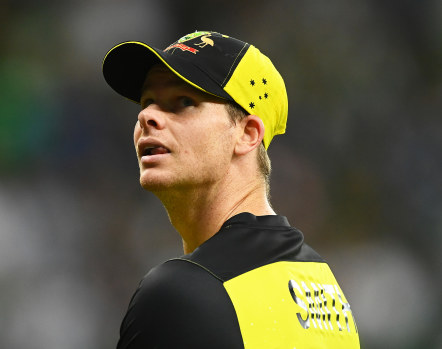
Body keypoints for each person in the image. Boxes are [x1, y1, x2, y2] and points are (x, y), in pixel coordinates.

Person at [102, 31, 360, 348]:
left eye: (184, 102)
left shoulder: (178, 293)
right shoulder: (323, 286)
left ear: (248, 134)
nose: (147, 116)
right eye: (148, 101)